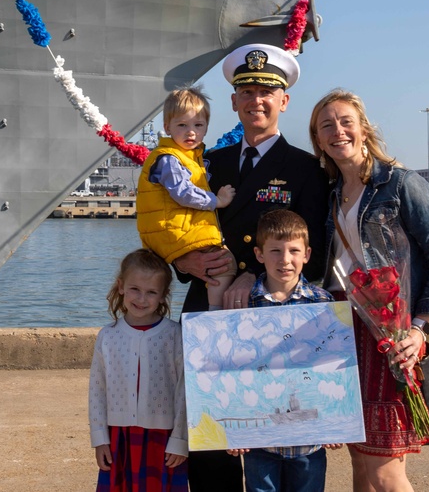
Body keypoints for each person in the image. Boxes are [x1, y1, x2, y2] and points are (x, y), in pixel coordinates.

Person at [173, 43, 330, 492]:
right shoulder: (206, 164)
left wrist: (253, 274)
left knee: (276, 440)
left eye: (267, 92)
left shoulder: (305, 169)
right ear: (233, 101)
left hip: (274, 317)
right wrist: (185, 260)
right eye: (247, 92)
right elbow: (175, 224)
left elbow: (314, 252)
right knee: (212, 436)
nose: (256, 100)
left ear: (284, 101)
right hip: (209, 304)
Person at [309, 89, 429, 492]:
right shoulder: (331, 194)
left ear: (363, 129)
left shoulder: (400, 184)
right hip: (344, 333)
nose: (338, 131)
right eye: (327, 126)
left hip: (389, 335)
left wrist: (419, 329)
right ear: (319, 140)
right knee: (361, 463)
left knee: (385, 471)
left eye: (345, 122)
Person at [226, 209, 342, 492]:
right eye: (275, 251)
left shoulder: (322, 302)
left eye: (293, 250)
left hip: (309, 442)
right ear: (259, 254)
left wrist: (337, 420)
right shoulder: (245, 303)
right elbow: (231, 366)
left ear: (307, 254)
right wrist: (231, 430)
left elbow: (335, 365)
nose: (285, 259)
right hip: (259, 441)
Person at [88, 249, 188, 492]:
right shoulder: (108, 336)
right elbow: (97, 391)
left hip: (164, 439)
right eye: (135, 289)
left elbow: (185, 390)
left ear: (163, 296)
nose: (142, 299)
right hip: (118, 439)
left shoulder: (174, 335)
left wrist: (180, 439)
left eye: (151, 292)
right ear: (121, 286)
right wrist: (100, 439)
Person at [137, 86, 236, 310]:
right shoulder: (170, 159)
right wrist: (217, 201)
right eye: (182, 125)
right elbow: (183, 193)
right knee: (225, 264)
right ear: (167, 127)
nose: (191, 132)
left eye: (198, 125)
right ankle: (215, 313)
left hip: (174, 230)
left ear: (206, 128)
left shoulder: (190, 157)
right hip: (174, 232)